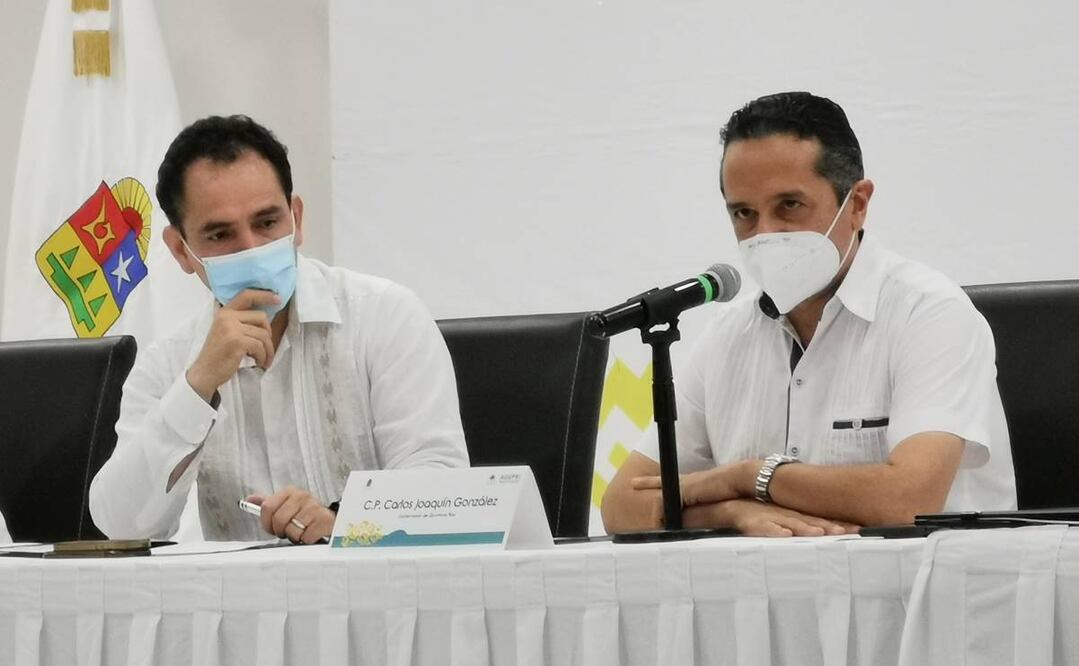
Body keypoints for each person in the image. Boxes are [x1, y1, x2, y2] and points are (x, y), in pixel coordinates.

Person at [601, 92, 1016, 537]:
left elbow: (908, 500)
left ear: (857, 204)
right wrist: (729, 512)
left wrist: (750, 477)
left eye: (789, 205)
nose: (765, 233)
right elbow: (620, 505)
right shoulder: (727, 335)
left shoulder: (930, 314)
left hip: (921, 580)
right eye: (744, 213)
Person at [89, 115, 469, 543]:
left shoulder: (385, 316)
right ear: (180, 250)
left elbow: (443, 491)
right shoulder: (168, 363)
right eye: (220, 234)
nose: (252, 249)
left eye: (267, 223)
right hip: (233, 590)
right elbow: (122, 526)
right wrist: (197, 386)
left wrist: (344, 526)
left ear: (296, 219)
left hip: (377, 583)